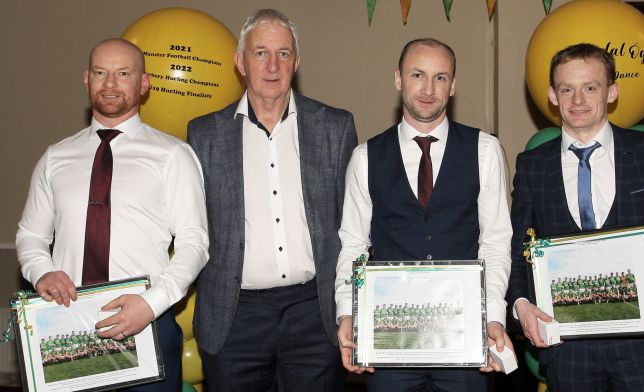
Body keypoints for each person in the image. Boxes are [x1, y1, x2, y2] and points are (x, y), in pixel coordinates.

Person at [16, 38, 209, 391]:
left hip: (148, 323)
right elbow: (31, 236)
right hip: (67, 326)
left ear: (144, 83)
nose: (110, 84)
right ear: (86, 79)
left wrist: (151, 305)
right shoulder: (55, 157)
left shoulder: (173, 156)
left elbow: (195, 243)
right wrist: (42, 271)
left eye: (123, 73)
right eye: (101, 73)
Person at [507, 43, 644, 391]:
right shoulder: (531, 165)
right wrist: (521, 305)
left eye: (590, 87)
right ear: (553, 95)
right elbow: (518, 248)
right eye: (567, 89)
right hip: (567, 349)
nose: (577, 100)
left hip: (643, 343)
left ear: (612, 91)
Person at [187, 8, 357, 391]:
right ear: (240, 62)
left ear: (297, 62)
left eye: (283, 53)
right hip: (234, 318)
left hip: (315, 315)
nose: (272, 65)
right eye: (260, 52)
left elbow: (354, 227)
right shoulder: (204, 135)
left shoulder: (335, 127)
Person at [335, 38, 513, 391]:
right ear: (398, 79)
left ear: (453, 85)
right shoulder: (365, 157)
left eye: (441, 77)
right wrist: (347, 312)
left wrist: (492, 316)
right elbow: (354, 243)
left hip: (463, 336)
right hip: (390, 339)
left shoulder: (485, 151)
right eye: (418, 75)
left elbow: (495, 242)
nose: (428, 89)